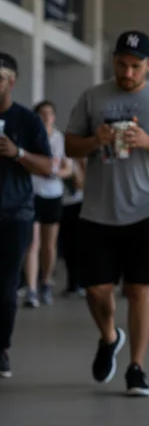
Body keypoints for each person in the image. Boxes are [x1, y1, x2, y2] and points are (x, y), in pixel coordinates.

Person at [64, 31, 149, 396]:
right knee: (96, 290)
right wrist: (95, 140)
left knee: (138, 289)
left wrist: (148, 142)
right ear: (113, 61)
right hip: (97, 210)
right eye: (121, 64)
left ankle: (137, 367)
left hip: (145, 209)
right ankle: (109, 337)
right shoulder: (93, 97)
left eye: (135, 66)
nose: (128, 72)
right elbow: (70, 145)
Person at [0, 54, 53, 378]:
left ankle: (1, 347)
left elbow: (48, 167)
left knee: (5, 288)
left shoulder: (27, 120)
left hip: (14, 214)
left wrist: (17, 153)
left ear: (12, 81)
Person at [24, 100, 73, 307]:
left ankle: (45, 281)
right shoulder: (30, 137)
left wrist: (54, 173)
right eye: (41, 113)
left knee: (49, 245)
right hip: (32, 193)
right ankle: (31, 289)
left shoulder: (59, 138)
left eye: (49, 114)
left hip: (53, 194)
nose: (46, 117)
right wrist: (39, 169)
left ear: (54, 117)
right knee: (32, 243)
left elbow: (68, 168)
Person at [58, 155, 85, 297]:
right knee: (67, 246)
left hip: (76, 204)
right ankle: (73, 283)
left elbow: (81, 183)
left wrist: (72, 171)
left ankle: (78, 282)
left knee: (76, 245)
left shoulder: (77, 159)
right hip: (59, 203)